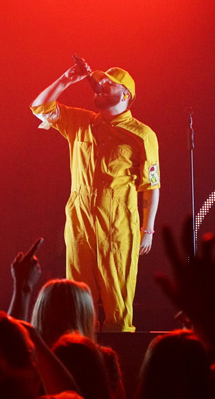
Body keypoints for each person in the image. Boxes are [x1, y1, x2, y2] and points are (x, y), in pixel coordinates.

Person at [31, 61, 160, 332]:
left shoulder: (142, 134)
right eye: (101, 81)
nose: (102, 85)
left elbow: (151, 185)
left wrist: (147, 229)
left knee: (118, 296)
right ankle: (79, 348)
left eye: (110, 83)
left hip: (118, 225)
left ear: (126, 94)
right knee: (78, 298)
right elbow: (39, 107)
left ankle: (118, 353)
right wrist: (66, 80)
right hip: (79, 223)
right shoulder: (79, 121)